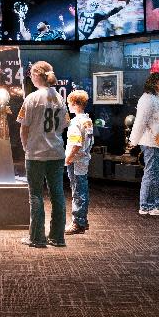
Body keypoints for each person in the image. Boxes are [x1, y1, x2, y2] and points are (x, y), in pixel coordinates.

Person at [17, 61, 69, 247]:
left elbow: (24, 128)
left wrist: (26, 148)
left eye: (31, 73)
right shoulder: (60, 99)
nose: (30, 76)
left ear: (38, 75)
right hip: (56, 153)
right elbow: (63, 125)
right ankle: (58, 237)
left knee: (36, 195)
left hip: (36, 154)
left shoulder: (32, 98)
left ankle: (37, 238)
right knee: (57, 195)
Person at [129, 72, 159, 216]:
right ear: (155, 83)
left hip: (158, 142)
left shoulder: (155, 98)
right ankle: (145, 206)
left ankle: (157, 202)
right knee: (152, 173)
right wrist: (133, 141)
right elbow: (140, 122)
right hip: (151, 142)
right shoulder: (147, 99)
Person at [64, 90, 94, 234]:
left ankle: (78, 223)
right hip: (84, 159)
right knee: (82, 190)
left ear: (75, 104)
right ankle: (83, 220)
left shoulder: (75, 122)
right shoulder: (87, 120)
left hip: (76, 161)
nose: (68, 106)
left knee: (78, 192)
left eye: (69, 103)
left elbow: (76, 144)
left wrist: (68, 158)